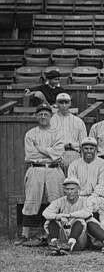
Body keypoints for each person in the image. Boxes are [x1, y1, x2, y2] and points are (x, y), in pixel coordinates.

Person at [15, 103, 65, 247]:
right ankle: (25, 235)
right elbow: (31, 154)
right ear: (36, 116)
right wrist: (49, 151)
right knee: (31, 201)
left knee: (55, 201)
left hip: (54, 169)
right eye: (40, 114)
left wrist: (40, 149)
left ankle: (53, 235)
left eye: (46, 114)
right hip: (35, 169)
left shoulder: (58, 133)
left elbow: (58, 154)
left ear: (51, 116)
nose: (43, 117)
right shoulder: (31, 133)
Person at [43, 177, 92, 255]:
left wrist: (68, 215)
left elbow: (87, 212)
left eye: (72, 189)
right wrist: (57, 217)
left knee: (80, 220)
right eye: (67, 189)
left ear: (78, 189)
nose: (69, 192)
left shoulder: (85, 200)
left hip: (78, 238)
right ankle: (55, 244)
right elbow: (45, 213)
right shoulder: (60, 201)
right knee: (51, 220)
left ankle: (69, 246)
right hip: (62, 235)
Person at [67, 136, 104, 212]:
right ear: (81, 149)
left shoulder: (103, 164)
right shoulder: (74, 164)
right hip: (78, 197)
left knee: (95, 207)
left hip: (96, 197)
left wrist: (89, 200)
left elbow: (101, 187)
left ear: (96, 149)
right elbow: (72, 186)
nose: (88, 151)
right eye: (86, 148)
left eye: (91, 148)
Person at [50, 92, 87, 174]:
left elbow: (83, 143)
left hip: (73, 154)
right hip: (56, 155)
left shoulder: (78, 121)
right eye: (61, 102)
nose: (64, 106)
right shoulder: (51, 121)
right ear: (56, 103)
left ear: (70, 103)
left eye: (66, 103)